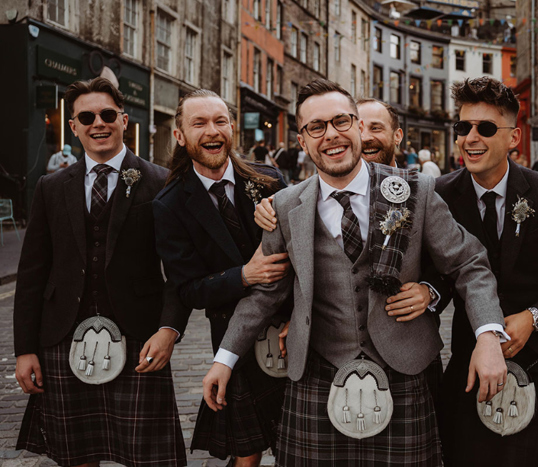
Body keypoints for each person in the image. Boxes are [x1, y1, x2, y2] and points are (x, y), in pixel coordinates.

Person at [202, 79, 509, 466]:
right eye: (316, 127)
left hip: (404, 371)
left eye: (341, 121)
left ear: (359, 128)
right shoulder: (285, 206)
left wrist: (488, 336)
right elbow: (266, 294)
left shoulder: (416, 191)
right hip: (316, 374)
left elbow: (469, 263)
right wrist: (224, 359)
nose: (330, 135)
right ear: (303, 140)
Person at [13, 77, 189, 467]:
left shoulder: (161, 182)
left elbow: (179, 271)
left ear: (124, 120)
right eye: (87, 116)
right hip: (62, 336)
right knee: (76, 454)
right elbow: (32, 274)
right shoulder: (51, 186)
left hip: (140, 337)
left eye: (108, 114)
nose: (99, 123)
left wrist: (169, 330)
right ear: (72, 126)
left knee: (150, 456)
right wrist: (25, 349)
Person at [436, 77, 538, 466]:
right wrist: (428, 291)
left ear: (514, 137)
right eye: (463, 127)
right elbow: (438, 273)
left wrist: (534, 317)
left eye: (486, 128)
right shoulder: (440, 193)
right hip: (472, 362)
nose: (470, 138)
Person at [153, 89, 290, 467]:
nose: (212, 131)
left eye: (220, 121)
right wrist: (243, 276)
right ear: (180, 135)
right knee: (246, 456)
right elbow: (188, 289)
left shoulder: (268, 180)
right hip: (233, 337)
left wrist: (296, 315)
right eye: (199, 123)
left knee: (299, 446)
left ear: (232, 128)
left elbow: (305, 257)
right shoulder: (170, 205)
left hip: (290, 334)